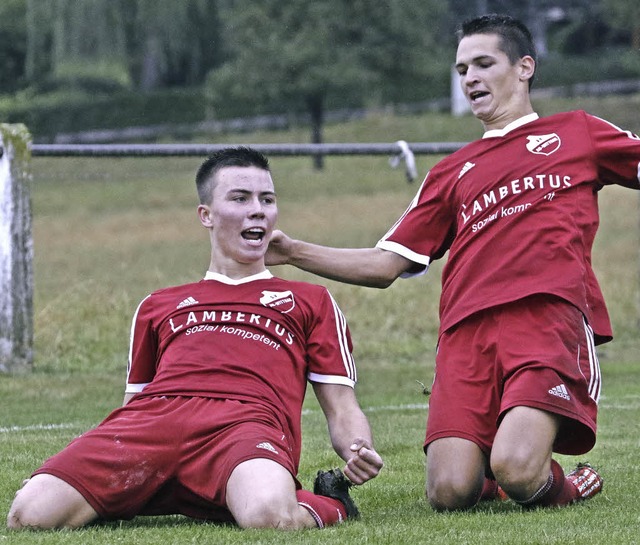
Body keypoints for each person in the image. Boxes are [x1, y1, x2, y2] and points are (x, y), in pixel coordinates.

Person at [267, 13, 640, 511]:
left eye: (484, 64)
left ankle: (568, 482)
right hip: (465, 335)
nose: (470, 78)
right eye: (463, 69)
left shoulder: (576, 133)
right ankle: (491, 468)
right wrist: (293, 251)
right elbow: (384, 265)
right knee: (448, 492)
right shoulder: (450, 172)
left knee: (518, 468)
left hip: (547, 317)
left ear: (525, 67)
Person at [7, 147, 383, 530]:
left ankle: (329, 502)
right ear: (206, 215)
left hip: (245, 426)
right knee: (28, 515)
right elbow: (132, 409)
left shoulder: (310, 301)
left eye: (266, 200)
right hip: (154, 423)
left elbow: (341, 405)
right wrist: (72, 471)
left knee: (270, 517)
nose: (258, 210)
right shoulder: (158, 304)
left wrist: (358, 448)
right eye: (240, 198)